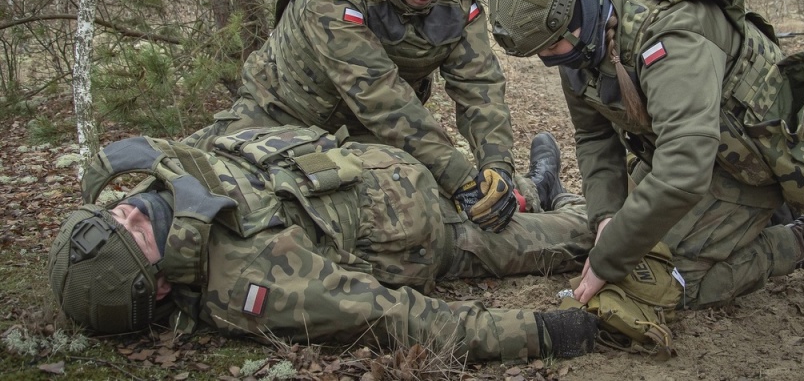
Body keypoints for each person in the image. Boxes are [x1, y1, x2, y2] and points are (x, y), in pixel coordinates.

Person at [486, 0, 804, 310]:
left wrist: (610, 257)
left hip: (754, 166)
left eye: (552, 46)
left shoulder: (672, 35)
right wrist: (606, 218)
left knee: (668, 283)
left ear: (582, 7)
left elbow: (684, 169)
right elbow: (594, 136)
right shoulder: (581, 47)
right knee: (621, 244)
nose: (549, 59)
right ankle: (756, 222)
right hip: (698, 154)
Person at [48, 126, 597, 364]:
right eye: (135, 235)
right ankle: (559, 197)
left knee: (503, 192)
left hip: (395, 169)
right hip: (442, 238)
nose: (133, 211)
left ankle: (534, 185)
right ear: (162, 281)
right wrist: (543, 331)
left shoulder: (171, 175)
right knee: (583, 233)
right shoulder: (253, 279)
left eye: (116, 210)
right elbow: (398, 318)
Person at [189, 0, 518, 233]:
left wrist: (496, 165)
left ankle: (534, 190)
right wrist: (458, 176)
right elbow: (380, 95)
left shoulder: (460, 3)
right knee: (212, 191)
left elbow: (480, 86)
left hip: (364, 136)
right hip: (277, 117)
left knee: (414, 207)